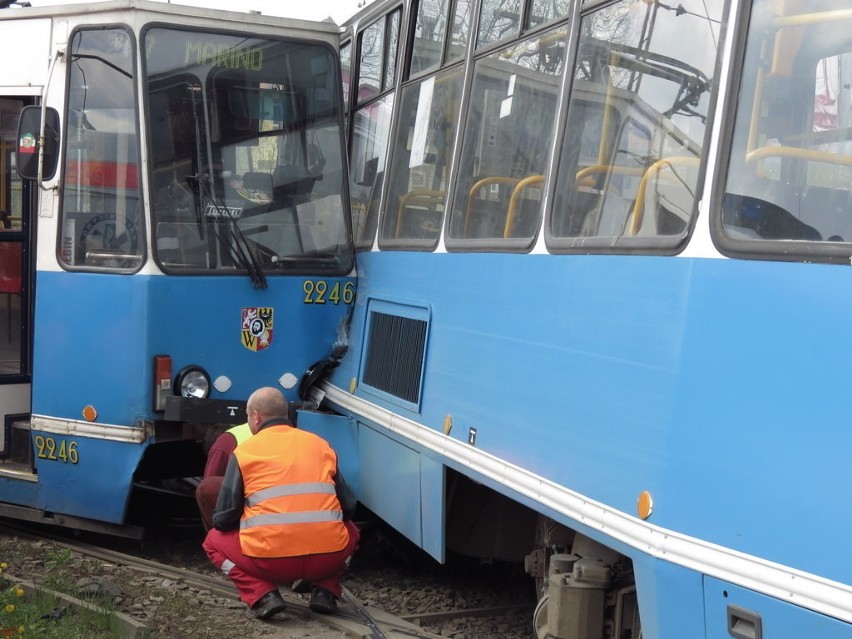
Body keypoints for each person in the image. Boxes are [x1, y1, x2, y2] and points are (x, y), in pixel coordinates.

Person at [202, 387, 359, 620]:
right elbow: (349, 507)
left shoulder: (244, 451)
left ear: (255, 416)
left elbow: (224, 519)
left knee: (212, 542)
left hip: (270, 562)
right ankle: (326, 590)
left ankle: (263, 595)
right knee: (353, 532)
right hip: (326, 559)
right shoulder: (320, 445)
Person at [195, 422, 253, 531]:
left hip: (252, 514)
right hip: (280, 505)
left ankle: (219, 540)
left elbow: (208, 493)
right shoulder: (289, 433)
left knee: (206, 488)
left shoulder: (224, 443)